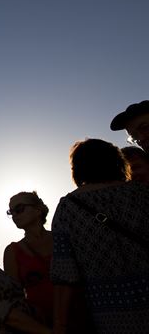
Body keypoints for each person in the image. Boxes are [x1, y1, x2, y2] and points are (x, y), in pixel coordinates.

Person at [51, 138, 149, 333]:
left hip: (112, 319)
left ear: (77, 168)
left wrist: (60, 325)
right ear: (117, 162)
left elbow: (65, 275)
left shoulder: (68, 208)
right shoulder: (142, 193)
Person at [3, 192, 53, 325]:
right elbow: (15, 296)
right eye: (11, 212)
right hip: (43, 324)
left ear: (38, 210)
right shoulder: (12, 251)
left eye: (19, 209)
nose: (14, 215)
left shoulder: (61, 239)